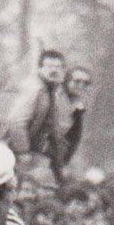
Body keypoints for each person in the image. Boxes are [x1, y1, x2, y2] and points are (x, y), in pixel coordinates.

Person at [6, 50, 76, 186]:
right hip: (14, 149)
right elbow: (16, 122)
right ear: (40, 69)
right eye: (49, 66)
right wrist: (23, 151)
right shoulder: (34, 89)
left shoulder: (51, 90)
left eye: (58, 67)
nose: (54, 70)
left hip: (34, 149)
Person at [63, 65, 91, 164]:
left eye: (86, 83)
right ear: (67, 81)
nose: (81, 85)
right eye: (77, 81)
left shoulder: (79, 106)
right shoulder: (59, 103)